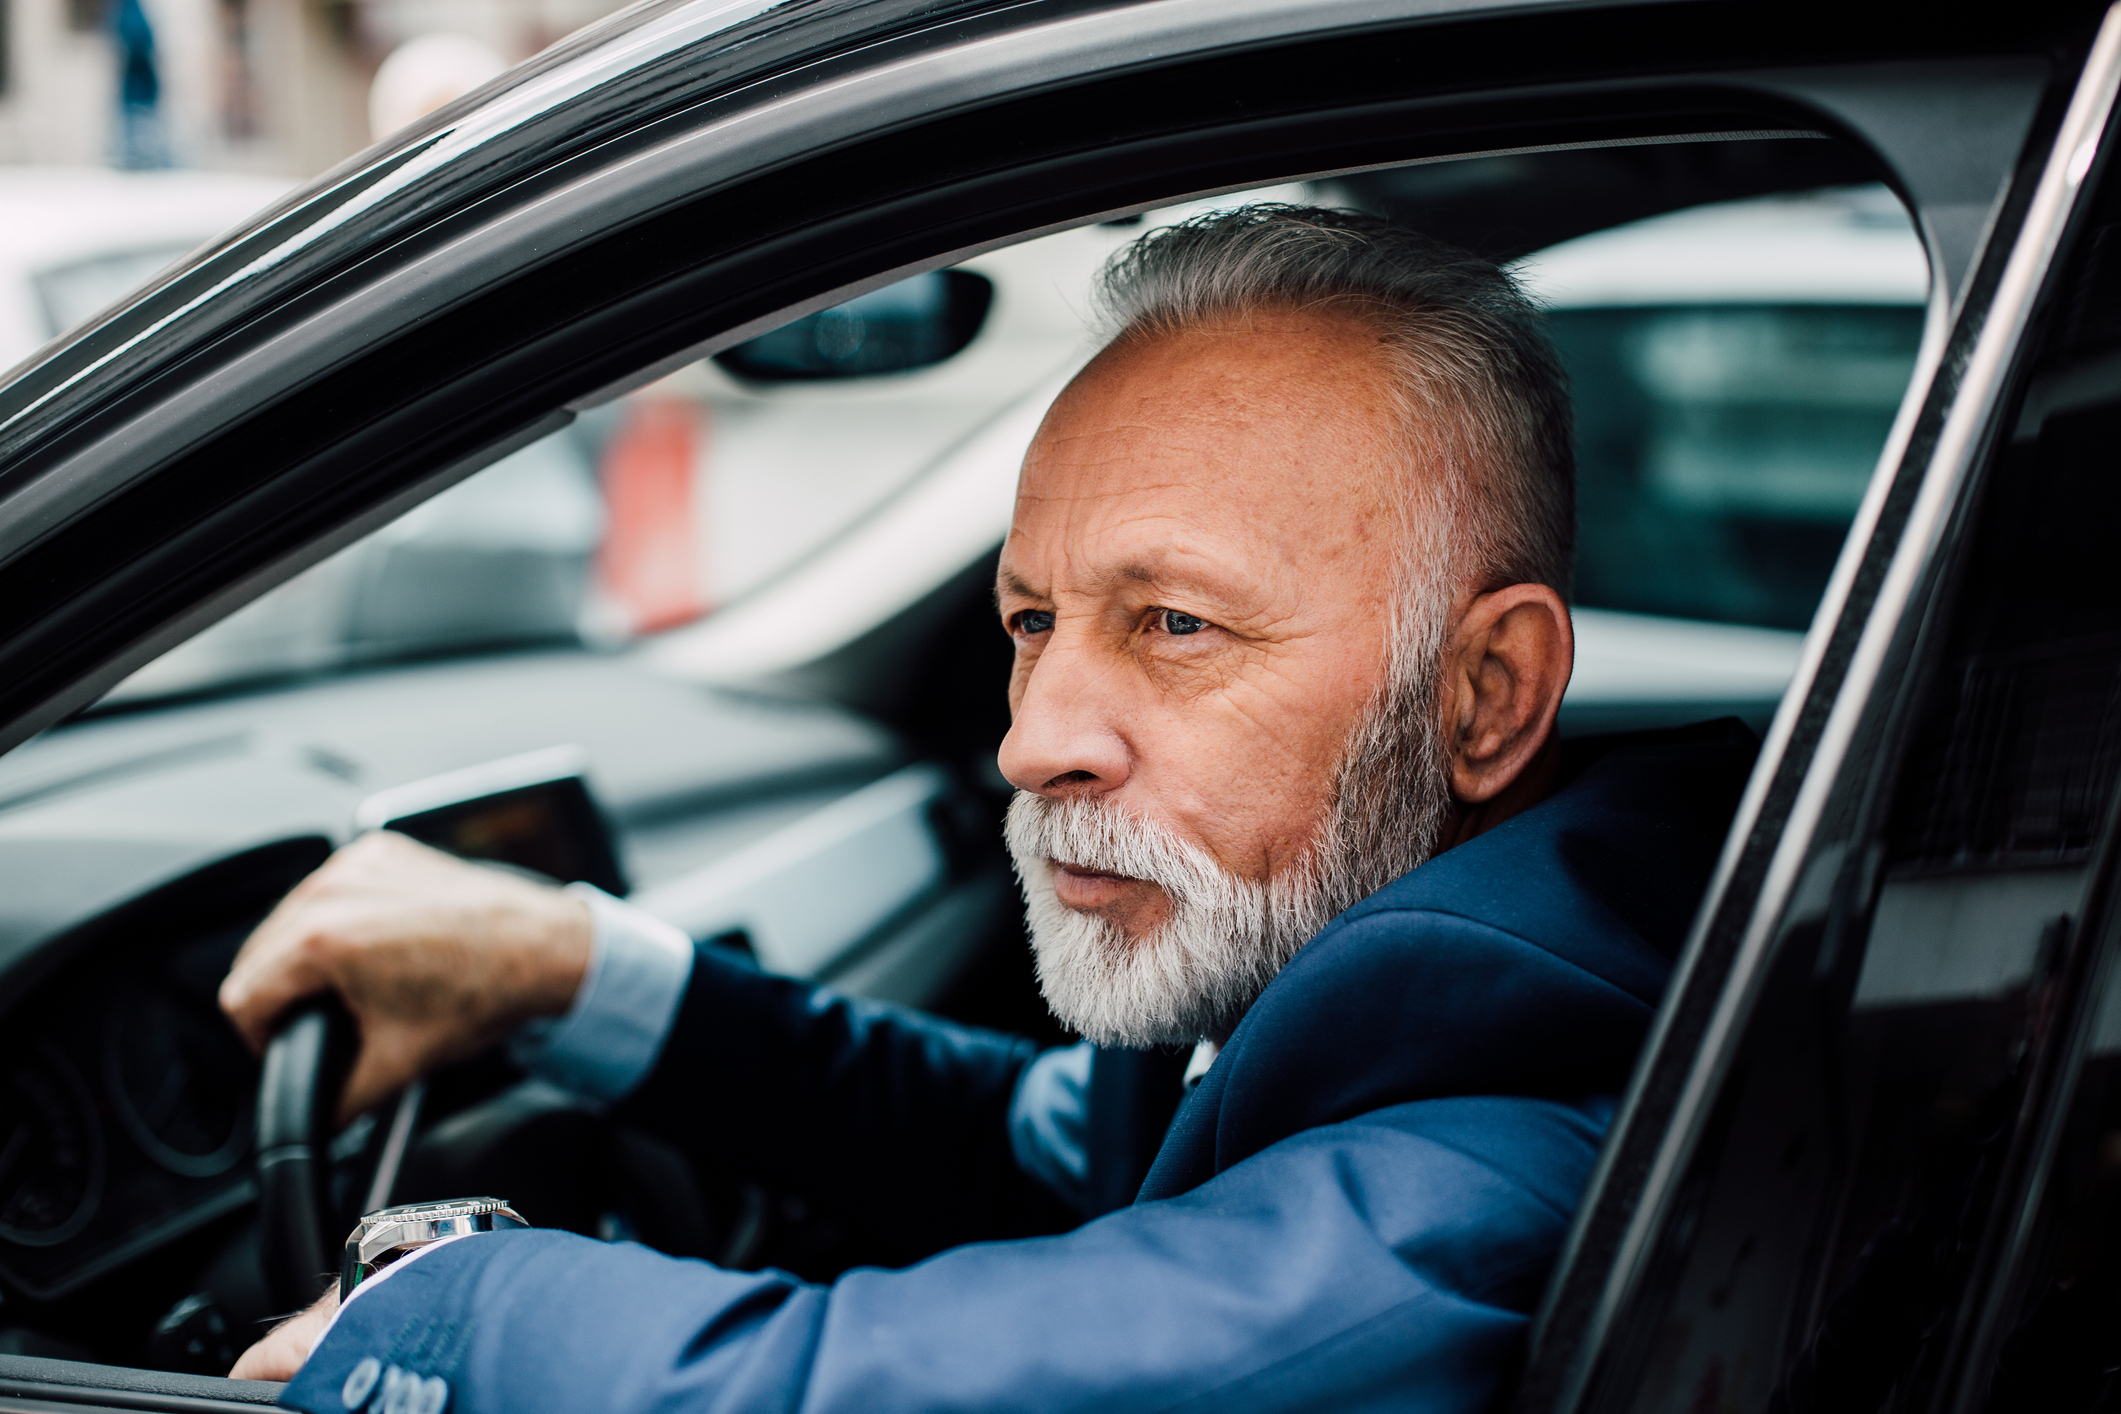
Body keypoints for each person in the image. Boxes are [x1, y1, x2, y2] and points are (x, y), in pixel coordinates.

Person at [221, 205, 1755, 1412]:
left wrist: (442, 1309)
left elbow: (860, 1390)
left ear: (1486, 693)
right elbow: (1017, 1145)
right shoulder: (1353, 987)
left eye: (1174, 624)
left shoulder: (1522, 1138)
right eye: (1031, 623)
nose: (1033, 741)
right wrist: (574, 974)